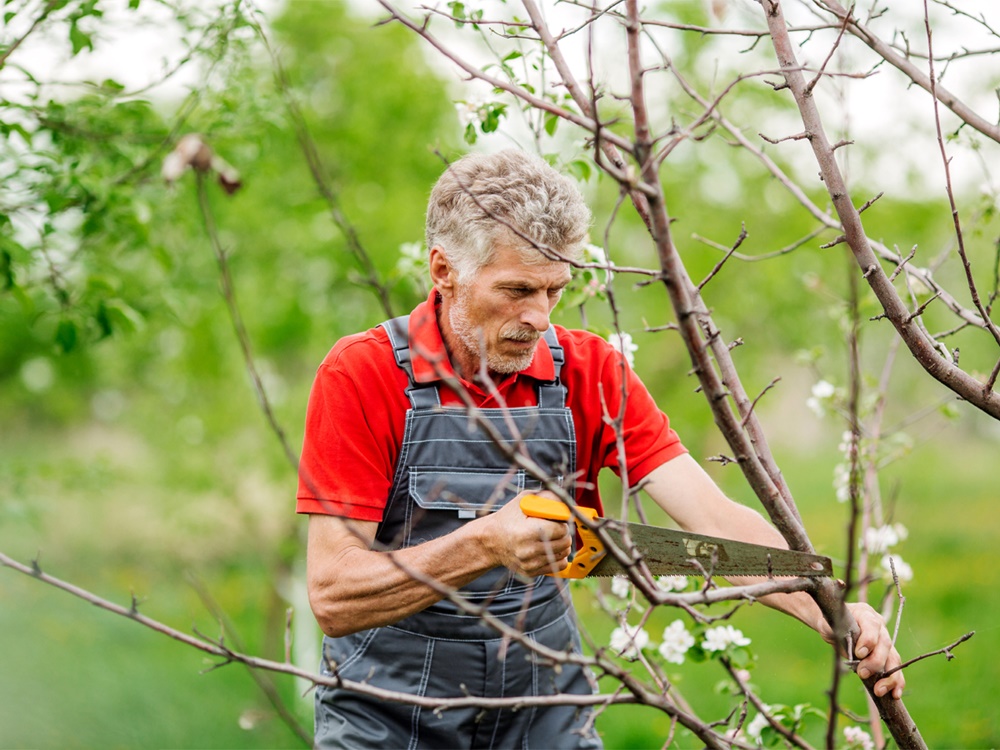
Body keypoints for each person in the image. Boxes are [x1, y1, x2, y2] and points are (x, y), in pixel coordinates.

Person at [296, 149, 904, 749]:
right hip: (388, 712)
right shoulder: (362, 375)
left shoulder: (590, 372)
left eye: (555, 290)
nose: (539, 317)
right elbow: (333, 594)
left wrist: (827, 606)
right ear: (443, 269)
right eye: (517, 289)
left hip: (543, 703)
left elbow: (713, 519)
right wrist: (484, 543)